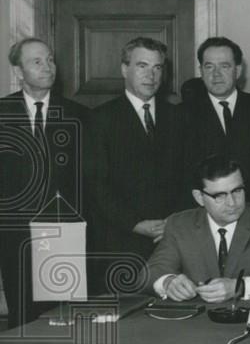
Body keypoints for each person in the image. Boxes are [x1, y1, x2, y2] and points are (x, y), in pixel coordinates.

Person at [84, 37, 188, 293]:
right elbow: (96, 185)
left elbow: (188, 177)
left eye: (157, 67)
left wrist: (172, 223)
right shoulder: (99, 120)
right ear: (124, 69)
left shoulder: (179, 117)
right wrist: (135, 223)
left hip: (172, 241)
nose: (151, 75)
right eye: (142, 66)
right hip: (120, 242)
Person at [0, 38, 89, 327]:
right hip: (15, 238)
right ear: (18, 71)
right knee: (22, 321)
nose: (47, 67)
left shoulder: (79, 115)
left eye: (50, 60)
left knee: (62, 321)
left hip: (64, 234)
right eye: (37, 61)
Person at [145, 156, 250, 303]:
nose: (232, 203)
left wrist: (239, 287)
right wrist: (168, 282)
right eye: (220, 196)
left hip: (249, 320)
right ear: (199, 197)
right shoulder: (180, 225)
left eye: (237, 191)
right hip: (194, 324)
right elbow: (151, 272)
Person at [183, 37, 250, 214]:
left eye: (224, 66)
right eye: (209, 67)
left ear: (238, 70)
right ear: (200, 71)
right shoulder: (182, 114)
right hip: (202, 218)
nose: (216, 74)